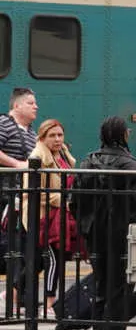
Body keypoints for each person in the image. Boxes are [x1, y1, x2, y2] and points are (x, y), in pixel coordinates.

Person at [72, 116, 136, 330]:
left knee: (101, 285)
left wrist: (85, 226)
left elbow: (75, 201)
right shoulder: (134, 167)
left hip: (95, 235)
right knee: (121, 288)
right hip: (124, 237)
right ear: (124, 135)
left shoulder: (87, 162)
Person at [25, 119, 77, 308]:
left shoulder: (62, 153)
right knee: (54, 258)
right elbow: (35, 192)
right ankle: (49, 302)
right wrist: (66, 201)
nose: (57, 139)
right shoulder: (37, 157)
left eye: (60, 135)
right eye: (52, 135)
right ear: (42, 137)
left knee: (45, 260)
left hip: (59, 216)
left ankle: (12, 295)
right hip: (43, 216)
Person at [0, 88, 38, 311]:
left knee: (24, 244)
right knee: (13, 243)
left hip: (22, 196)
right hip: (6, 195)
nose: (36, 107)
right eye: (31, 103)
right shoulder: (4, 124)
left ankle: (19, 296)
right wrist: (16, 164)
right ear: (17, 106)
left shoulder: (32, 133)